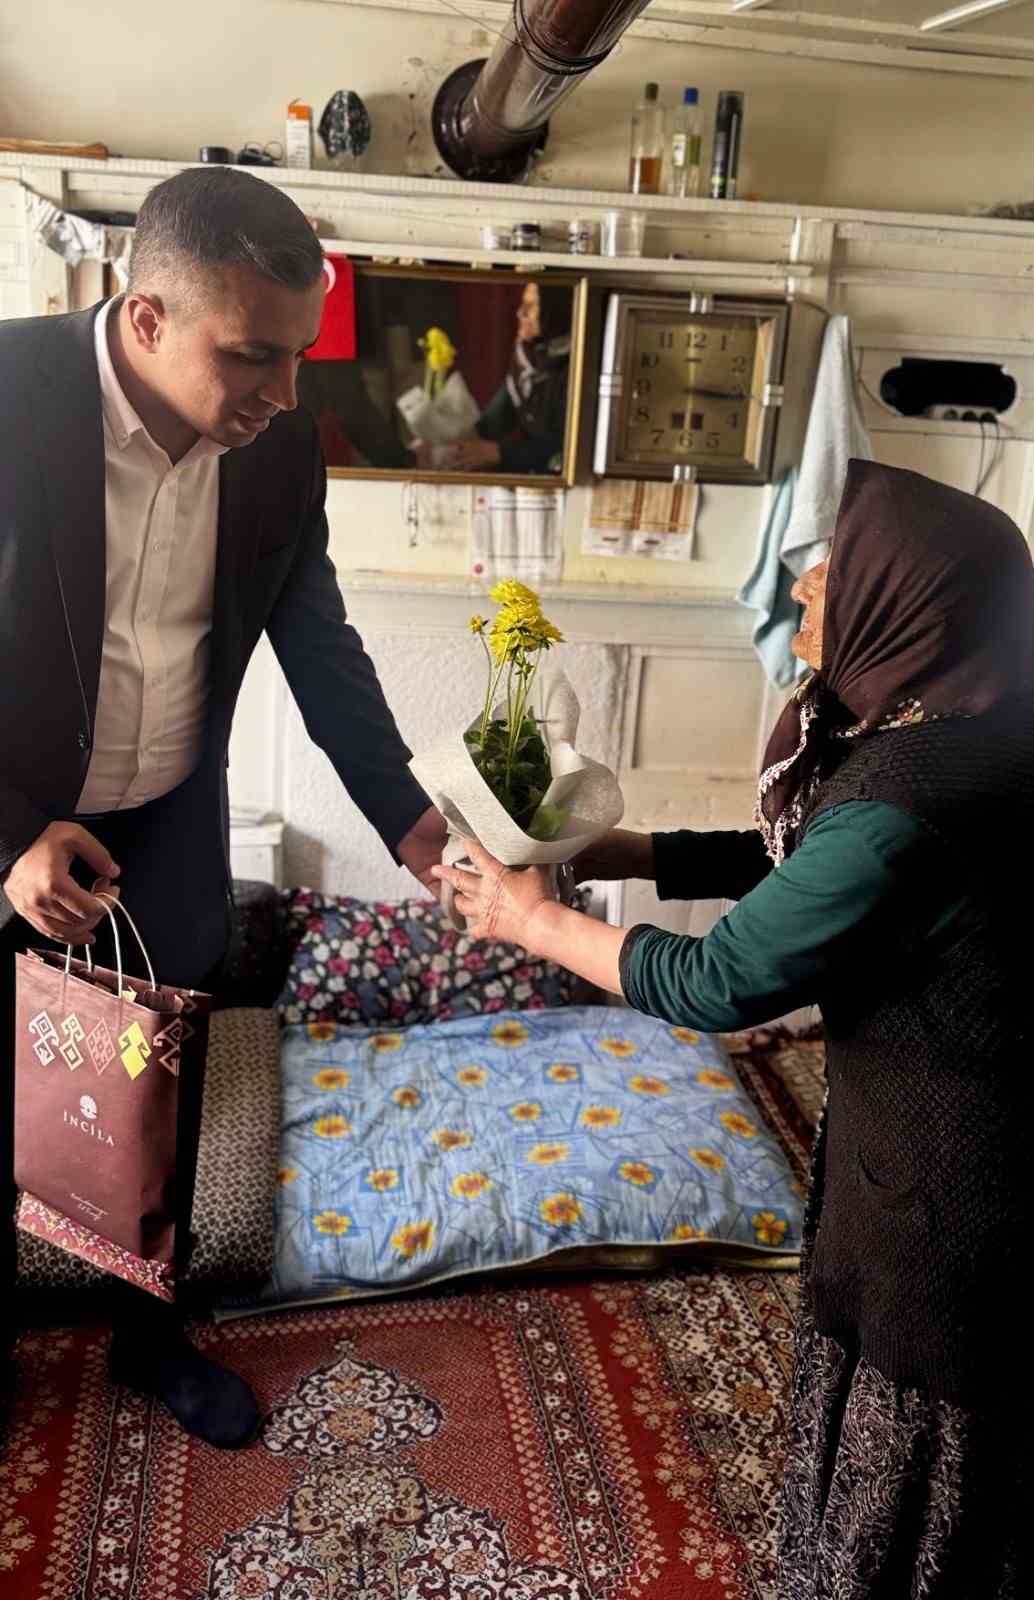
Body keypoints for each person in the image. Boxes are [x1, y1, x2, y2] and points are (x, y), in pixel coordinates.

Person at [434, 459, 1034, 1596]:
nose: (802, 585)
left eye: (833, 567)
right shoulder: (965, 726)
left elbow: (719, 980)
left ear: (909, 599)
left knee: (919, 1500)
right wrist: (620, 849)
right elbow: (806, 862)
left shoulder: (915, 796)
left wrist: (531, 921)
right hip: (970, 1149)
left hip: (954, 1205)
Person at [0, 167, 446, 1449]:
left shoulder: (280, 450)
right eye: (253, 354)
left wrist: (413, 827)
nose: (284, 391)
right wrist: (9, 836)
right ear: (146, 318)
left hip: (166, 833)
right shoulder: (11, 395)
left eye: (299, 354)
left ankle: (153, 1338)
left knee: (159, 1106)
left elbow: (321, 646)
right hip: (15, 824)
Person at [445, 280, 571, 475]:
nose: (520, 313)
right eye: (522, 304)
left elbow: (565, 447)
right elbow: (496, 419)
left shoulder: (575, 367)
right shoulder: (527, 356)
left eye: (531, 306)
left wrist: (497, 453)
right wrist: (447, 444)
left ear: (554, 311)